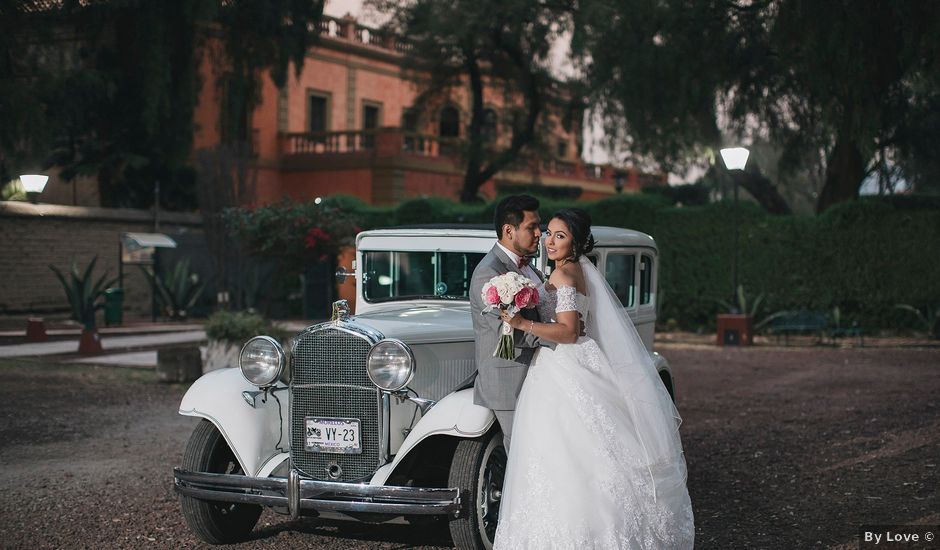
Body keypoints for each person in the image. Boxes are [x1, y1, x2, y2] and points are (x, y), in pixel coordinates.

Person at [493, 208, 695, 549]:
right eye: (549, 233)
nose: (550, 240)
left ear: (576, 242)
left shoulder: (566, 276)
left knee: (568, 453)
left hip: (564, 364)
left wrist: (521, 324)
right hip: (566, 362)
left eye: (561, 236)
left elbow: (569, 332)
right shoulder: (567, 271)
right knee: (567, 454)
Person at [469, 194, 552, 450]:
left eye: (540, 226)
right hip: (509, 380)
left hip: (536, 376)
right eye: (531, 227)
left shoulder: (527, 268)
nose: (539, 233)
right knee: (522, 454)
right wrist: (561, 337)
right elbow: (507, 333)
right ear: (509, 230)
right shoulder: (489, 272)